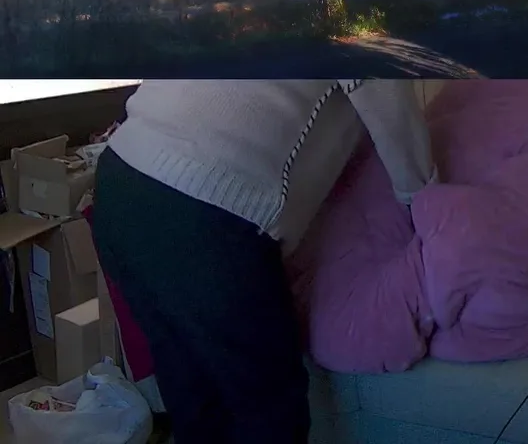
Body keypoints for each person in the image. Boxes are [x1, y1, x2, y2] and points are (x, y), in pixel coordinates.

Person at [90, 79, 437, 444]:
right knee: (267, 408)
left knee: (192, 387)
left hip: (121, 180)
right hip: (199, 205)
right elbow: (394, 116)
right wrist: (428, 208)